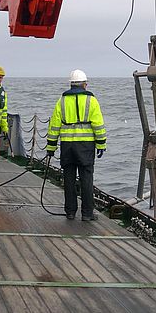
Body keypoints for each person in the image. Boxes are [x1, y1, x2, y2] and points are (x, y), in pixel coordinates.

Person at [46, 69, 107, 221]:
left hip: (67, 146)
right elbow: (98, 124)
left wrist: (51, 147)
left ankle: (70, 212)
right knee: (86, 179)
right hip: (85, 147)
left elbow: (54, 125)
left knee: (69, 179)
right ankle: (87, 214)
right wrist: (101, 144)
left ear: (71, 84)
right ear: (84, 84)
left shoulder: (62, 101)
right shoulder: (91, 101)